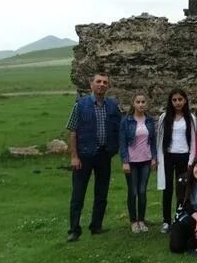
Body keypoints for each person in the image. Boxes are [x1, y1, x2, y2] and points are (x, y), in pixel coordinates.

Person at [65, 73, 122, 242]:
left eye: (105, 82)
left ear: (108, 86)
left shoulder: (112, 105)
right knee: (78, 194)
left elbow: (119, 127)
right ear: (91, 85)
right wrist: (74, 156)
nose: (102, 85)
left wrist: (115, 149)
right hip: (84, 155)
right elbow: (73, 132)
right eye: (98, 82)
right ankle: (74, 230)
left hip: (104, 155)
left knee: (101, 193)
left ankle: (96, 226)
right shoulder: (80, 105)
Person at [156, 88, 197, 234]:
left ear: (185, 100)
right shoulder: (164, 117)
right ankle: (166, 220)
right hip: (168, 156)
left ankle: (179, 217)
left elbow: (193, 140)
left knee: (182, 189)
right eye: (174, 100)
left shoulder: (191, 118)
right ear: (171, 101)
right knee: (167, 188)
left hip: (184, 156)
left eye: (180, 99)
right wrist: (159, 158)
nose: (177, 102)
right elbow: (160, 140)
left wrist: (191, 159)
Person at [119, 92, 157, 234]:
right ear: (133, 104)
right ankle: (133, 221)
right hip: (132, 161)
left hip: (146, 160)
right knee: (133, 191)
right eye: (138, 102)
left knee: (142, 191)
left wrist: (154, 158)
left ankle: (141, 219)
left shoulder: (149, 120)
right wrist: (125, 161)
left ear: (146, 104)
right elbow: (122, 142)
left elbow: (153, 141)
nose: (141, 104)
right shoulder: (126, 121)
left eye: (143, 102)